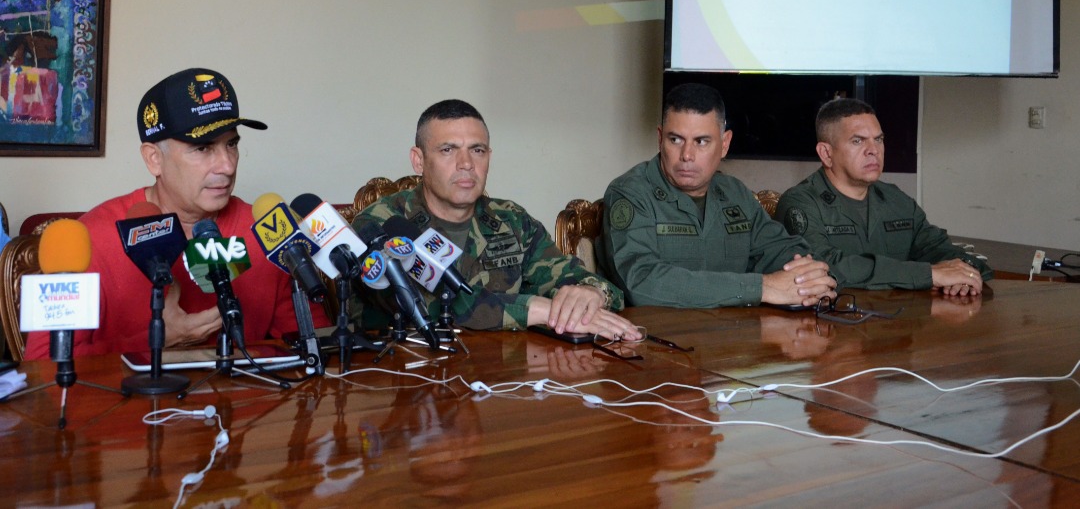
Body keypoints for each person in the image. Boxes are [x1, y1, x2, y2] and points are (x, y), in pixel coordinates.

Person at [25, 68, 299, 359]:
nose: (228, 166)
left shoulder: (267, 230)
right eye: (203, 148)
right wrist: (155, 339)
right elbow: (43, 368)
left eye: (231, 144)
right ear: (154, 159)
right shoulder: (92, 238)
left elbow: (312, 347)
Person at [352, 99, 639, 340]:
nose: (466, 164)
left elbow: (568, 275)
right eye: (448, 150)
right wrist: (537, 310)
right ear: (418, 160)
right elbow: (432, 305)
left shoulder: (511, 220)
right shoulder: (382, 223)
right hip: (404, 378)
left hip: (499, 378)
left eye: (477, 150)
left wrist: (591, 292)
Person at [600, 83, 837, 308]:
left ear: (725, 144)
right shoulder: (630, 193)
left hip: (734, 339)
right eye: (675, 140)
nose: (687, 155)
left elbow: (782, 251)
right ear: (660, 139)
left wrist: (810, 278)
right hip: (657, 341)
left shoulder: (735, 193)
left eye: (701, 141)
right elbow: (640, 282)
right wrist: (762, 288)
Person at [774, 97, 992, 295]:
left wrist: (965, 272)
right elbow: (825, 266)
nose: (873, 150)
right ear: (826, 153)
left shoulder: (896, 199)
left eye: (878, 139)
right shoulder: (801, 203)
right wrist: (929, 274)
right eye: (858, 141)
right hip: (832, 327)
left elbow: (937, 248)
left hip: (897, 328)